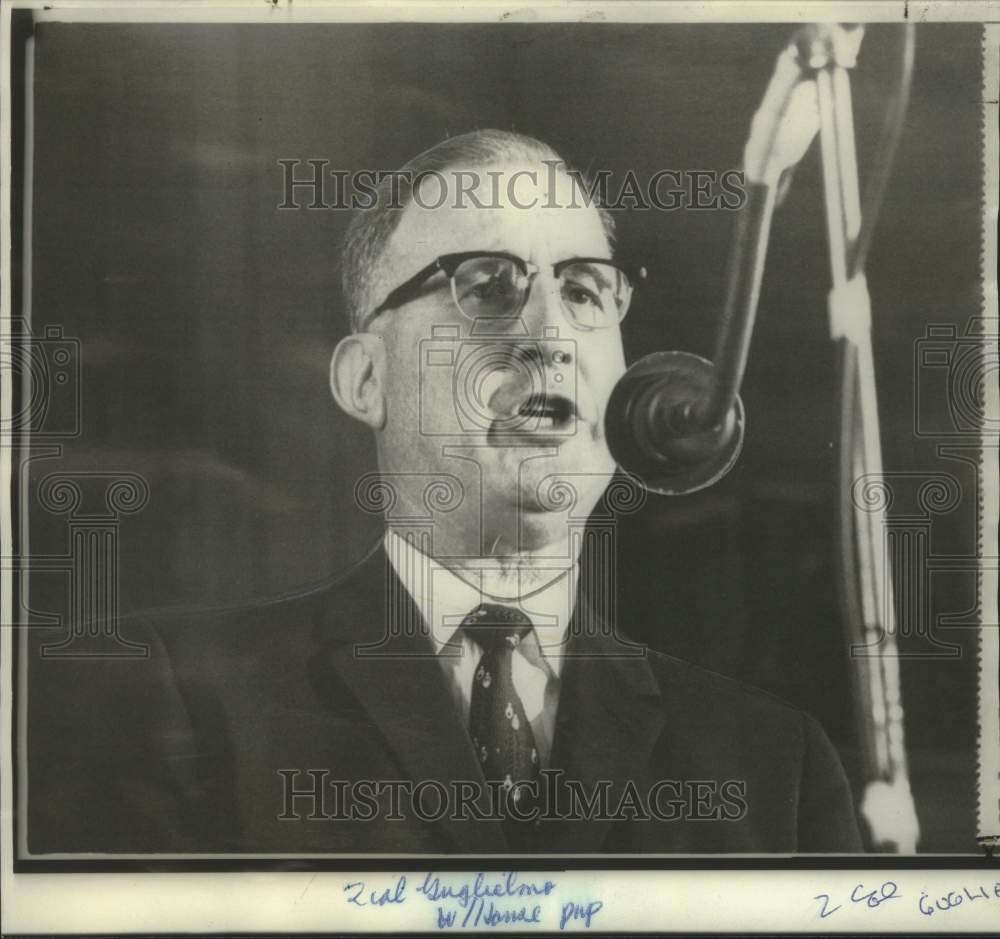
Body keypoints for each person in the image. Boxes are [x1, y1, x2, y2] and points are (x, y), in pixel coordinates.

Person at [27, 130, 861, 855]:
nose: (550, 336)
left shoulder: (775, 766)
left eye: (583, 289)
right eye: (488, 285)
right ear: (366, 378)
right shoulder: (173, 697)